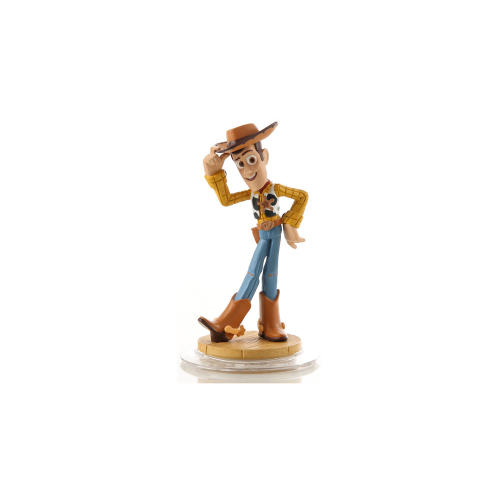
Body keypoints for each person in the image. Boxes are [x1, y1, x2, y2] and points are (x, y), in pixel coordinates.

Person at [198, 122, 308, 342]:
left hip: (274, 234)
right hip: (262, 236)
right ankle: (226, 323)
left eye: (251, 160)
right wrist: (214, 172)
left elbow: (302, 196)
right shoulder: (251, 193)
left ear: (264, 157)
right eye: (240, 164)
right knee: (253, 272)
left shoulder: (276, 189)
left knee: (270, 274)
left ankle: (270, 323)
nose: (247, 171)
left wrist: (289, 223)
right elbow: (226, 199)